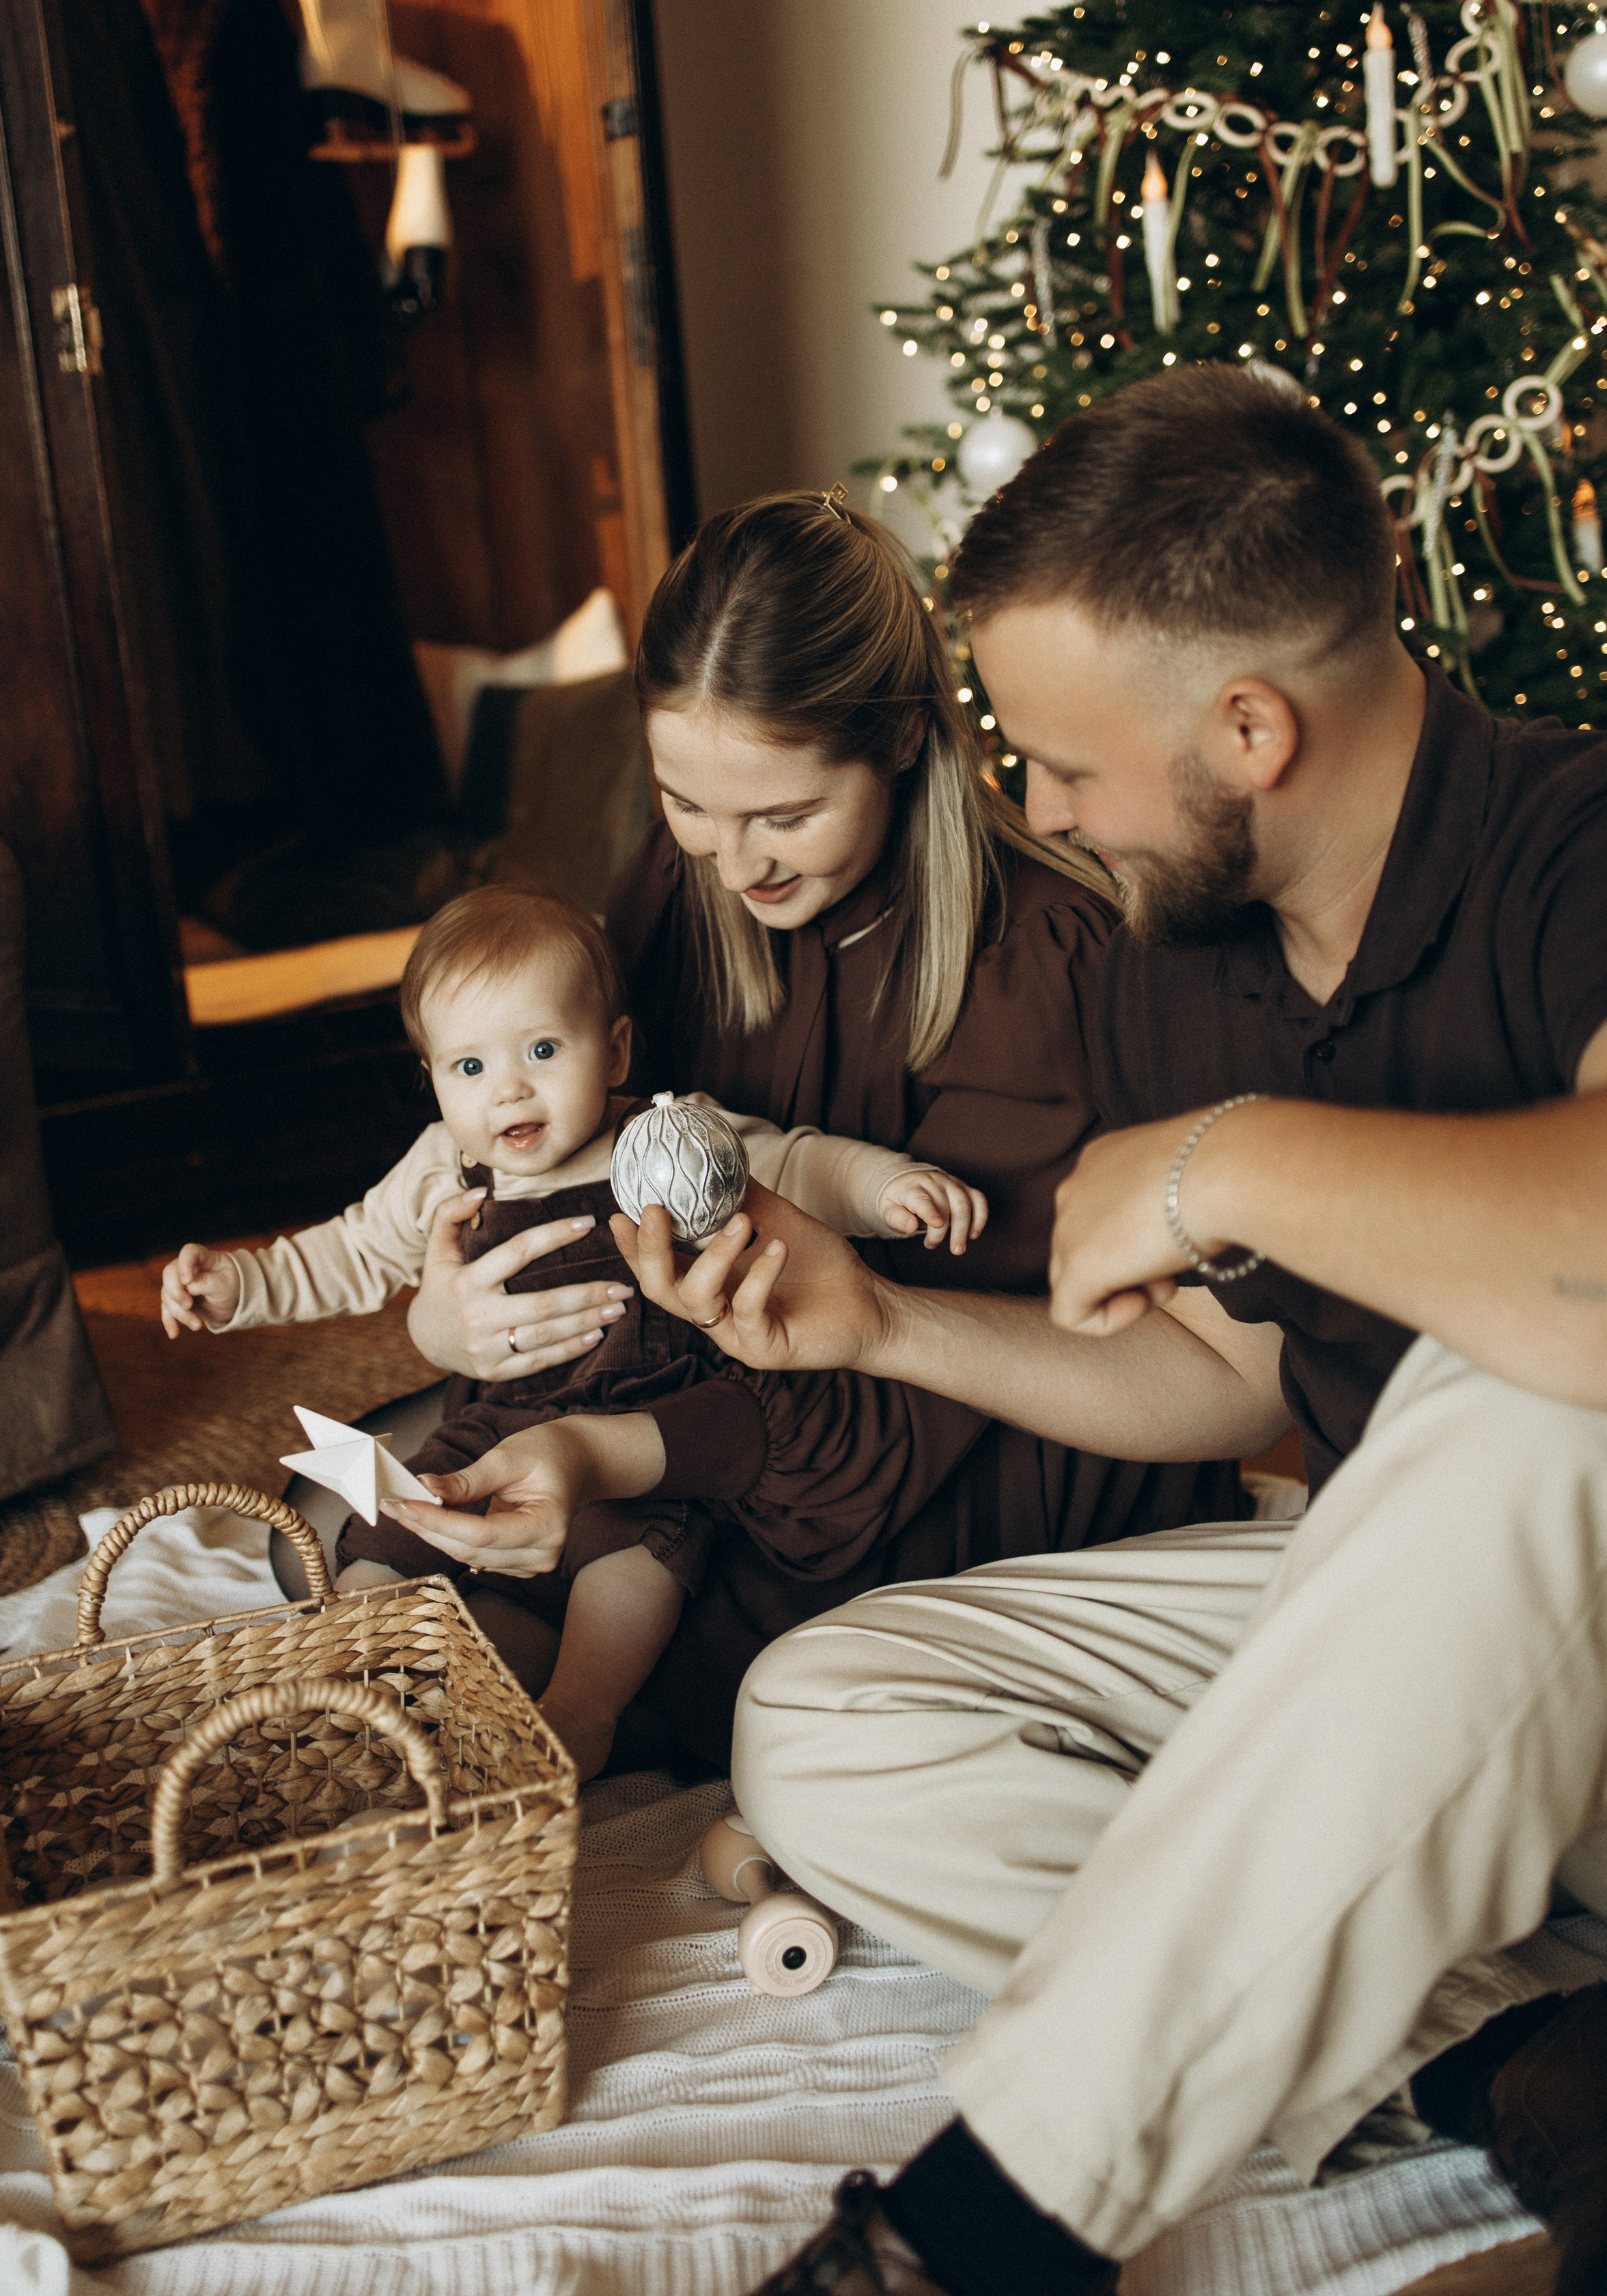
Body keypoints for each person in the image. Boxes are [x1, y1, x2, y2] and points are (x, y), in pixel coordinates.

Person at [425, 371, 1607, 2294]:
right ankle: (1509, 2050)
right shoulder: (1186, 961)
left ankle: (983, 2231)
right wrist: (877, 1318)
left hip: (1571, 1593)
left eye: (1059, 761)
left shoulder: (1573, 847)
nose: (1034, 805)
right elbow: (1217, 1384)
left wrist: (1232, 1161)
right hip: (1399, 1636)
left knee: (1532, 1399)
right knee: (818, 1719)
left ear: (1249, 730)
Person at [377, 490, 1243, 1765]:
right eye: (689, 802)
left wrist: (609, 1454)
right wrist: (450, 1323)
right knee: (362, 1520)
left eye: (785, 816)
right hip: (707, 1391)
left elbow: (907, 1380)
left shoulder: (1042, 965)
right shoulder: (685, 877)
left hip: (947, 1452)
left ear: (900, 739)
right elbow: (569, 1145)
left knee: (613, 1645)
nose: (738, 866)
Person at [160, 882, 983, 1775]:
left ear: (615, 1050)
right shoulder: (445, 1168)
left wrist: (883, 1188)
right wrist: (242, 1284)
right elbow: (351, 1251)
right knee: (392, 1526)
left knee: (646, 1552)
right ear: (431, 1078)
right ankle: (355, 1675)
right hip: (493, 1424)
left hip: (644, 1426)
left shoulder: (662, 1143)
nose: (509, 1089)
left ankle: (581, 1713)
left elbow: (795, 1166)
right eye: (468, 1068)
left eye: (544, 1050)